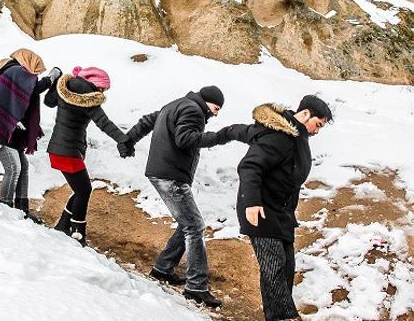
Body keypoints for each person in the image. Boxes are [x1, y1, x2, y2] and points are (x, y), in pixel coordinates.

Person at [124, 85, 233, 308]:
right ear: (207, 101)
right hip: (170, 175)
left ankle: (163, 269)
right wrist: (217, 138)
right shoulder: (194, 111)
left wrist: (128, 140)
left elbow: (147, 121)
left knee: (186, 224)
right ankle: (196, 287)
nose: (215, 113)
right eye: (216, 107)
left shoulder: (175, 104)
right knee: (195, 226)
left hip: (162, 172)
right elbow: (185, 139)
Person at [234, 95, 332, 321]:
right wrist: (251, 202)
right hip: (260, 209)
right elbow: (249, 167)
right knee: (274, 266)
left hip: (281, 213)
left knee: (285, 266)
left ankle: (275, 316)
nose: (317, 131)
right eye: (317, 125)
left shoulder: (298, 138)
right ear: (305, 114)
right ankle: (285, 317)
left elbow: (289, 177)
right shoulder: (280, 136)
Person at [45, 66, 133, 247]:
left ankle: (63, 225)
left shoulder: (66, 87)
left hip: (57, 149)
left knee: (81, 189)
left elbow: (48, 101)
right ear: (95, 85)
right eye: (103, 88)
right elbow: (104, 123)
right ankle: (77, 233)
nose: (103, 92)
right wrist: (123, 140)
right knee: (84, 190)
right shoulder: (88, 99)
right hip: (68, 152)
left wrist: (54, 84)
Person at [0, 48, 60, 220]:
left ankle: (22, 208)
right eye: (35, 70)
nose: (33, 75)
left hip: (4, 129)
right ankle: (4, 206)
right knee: (13, 167)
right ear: (28, 62)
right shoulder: (16, 71)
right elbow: (35, 87)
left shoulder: (8, 70)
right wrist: (52, 76)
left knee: (23, 167)